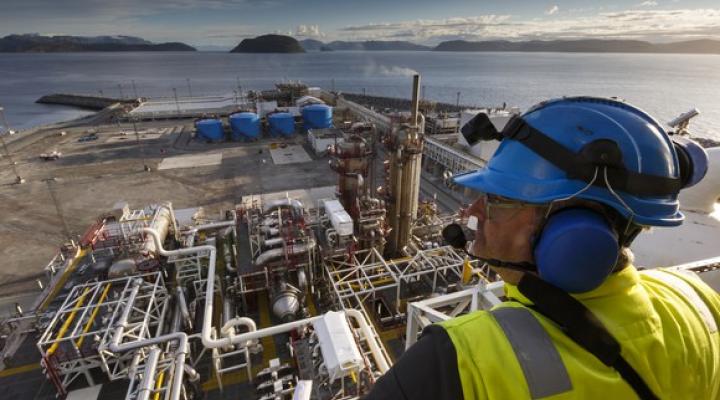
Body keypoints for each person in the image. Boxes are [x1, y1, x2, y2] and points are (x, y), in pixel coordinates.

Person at [364, 97, 719, 400]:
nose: (474, 212)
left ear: (570, 230)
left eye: (498, 199)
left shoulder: (460, 359)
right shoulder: (697, 298)